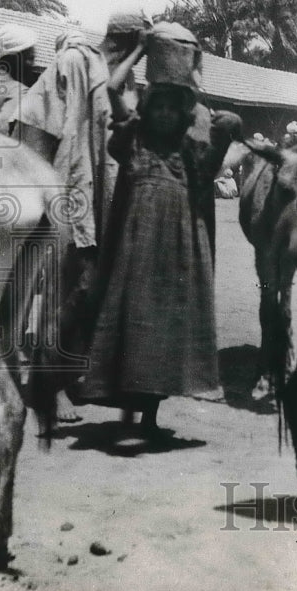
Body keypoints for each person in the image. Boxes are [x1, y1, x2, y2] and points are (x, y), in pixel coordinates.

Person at [77, 22, 242, 437]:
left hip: (176, 250)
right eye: (159, 107)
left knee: (164, 325)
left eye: (173, 108)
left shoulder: (191, 150)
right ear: (148, 110)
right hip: (136, 247)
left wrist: (195, 76)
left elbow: (228, 121)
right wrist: (140, 51)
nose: (165, 113)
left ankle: (148, 416)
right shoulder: (134, 139)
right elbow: (112, 91)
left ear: (183, 113)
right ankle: (129, 412)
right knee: (132, 320)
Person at [16, 23, 121, 425]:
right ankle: (46, 388)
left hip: (71, 201)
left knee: (81, 290)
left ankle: (66, 375)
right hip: (50, 205)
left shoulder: (69, 86)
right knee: (56, 297)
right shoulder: (56, 81)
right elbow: (37, 151)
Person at [0, 25, 36, 135]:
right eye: (29, 58)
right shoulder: (19, 91)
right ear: (14, 58)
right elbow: (2, 130)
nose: (31, 64)